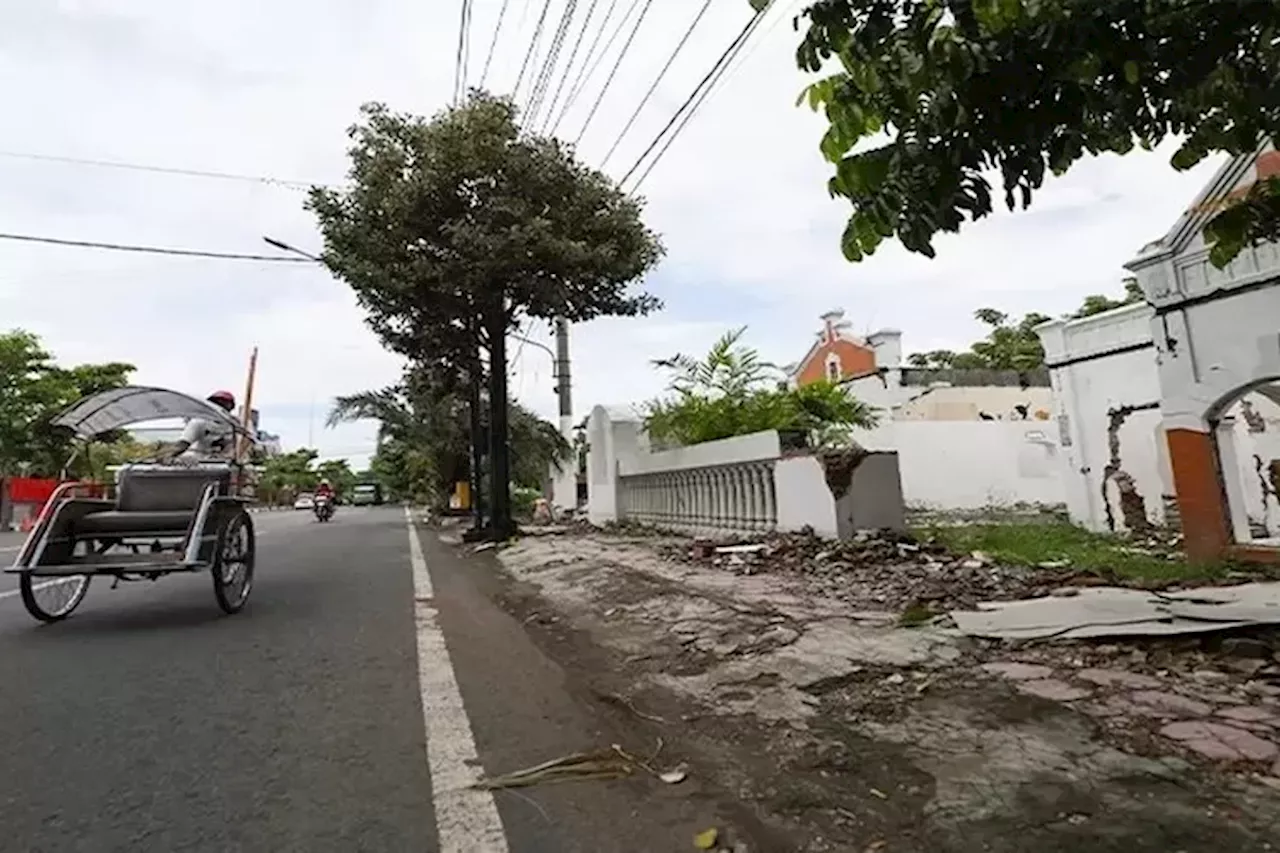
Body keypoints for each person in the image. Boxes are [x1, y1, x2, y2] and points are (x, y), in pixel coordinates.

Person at [160, 390, 237, 464]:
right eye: (216, 404)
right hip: (200, 462)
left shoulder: (234, 425)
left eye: (224, 405)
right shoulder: (199, 423)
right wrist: (168, 456)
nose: (220, 408)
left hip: (224, 464)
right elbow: (183, 443)